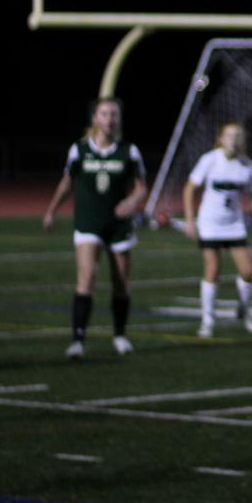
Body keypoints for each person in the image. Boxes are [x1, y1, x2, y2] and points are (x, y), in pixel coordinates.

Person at [43, 97, 148, 359]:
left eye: (114, 114)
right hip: (88, 223)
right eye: (104, 114)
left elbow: (141, 187)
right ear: (94, 119)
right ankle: (78, 340)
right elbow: (67, 182)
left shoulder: (129, 151)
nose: (109, 119)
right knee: (87, 278)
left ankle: (120, 336)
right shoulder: (79, 150)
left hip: (119, 225)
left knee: (121, 283)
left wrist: (132, 201)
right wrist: (51, 211)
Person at [183, 123, 252, 337]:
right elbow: (189, 188)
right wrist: (189, 220)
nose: (234, 140)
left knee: (248, 272)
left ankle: (244, 310)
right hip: (209, 224)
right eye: (229, 136)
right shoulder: (210, 160)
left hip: (234, 225)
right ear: (220, 138)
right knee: (213, 271)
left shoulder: (246, 165)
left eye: (238, 136)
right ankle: (208, 320)